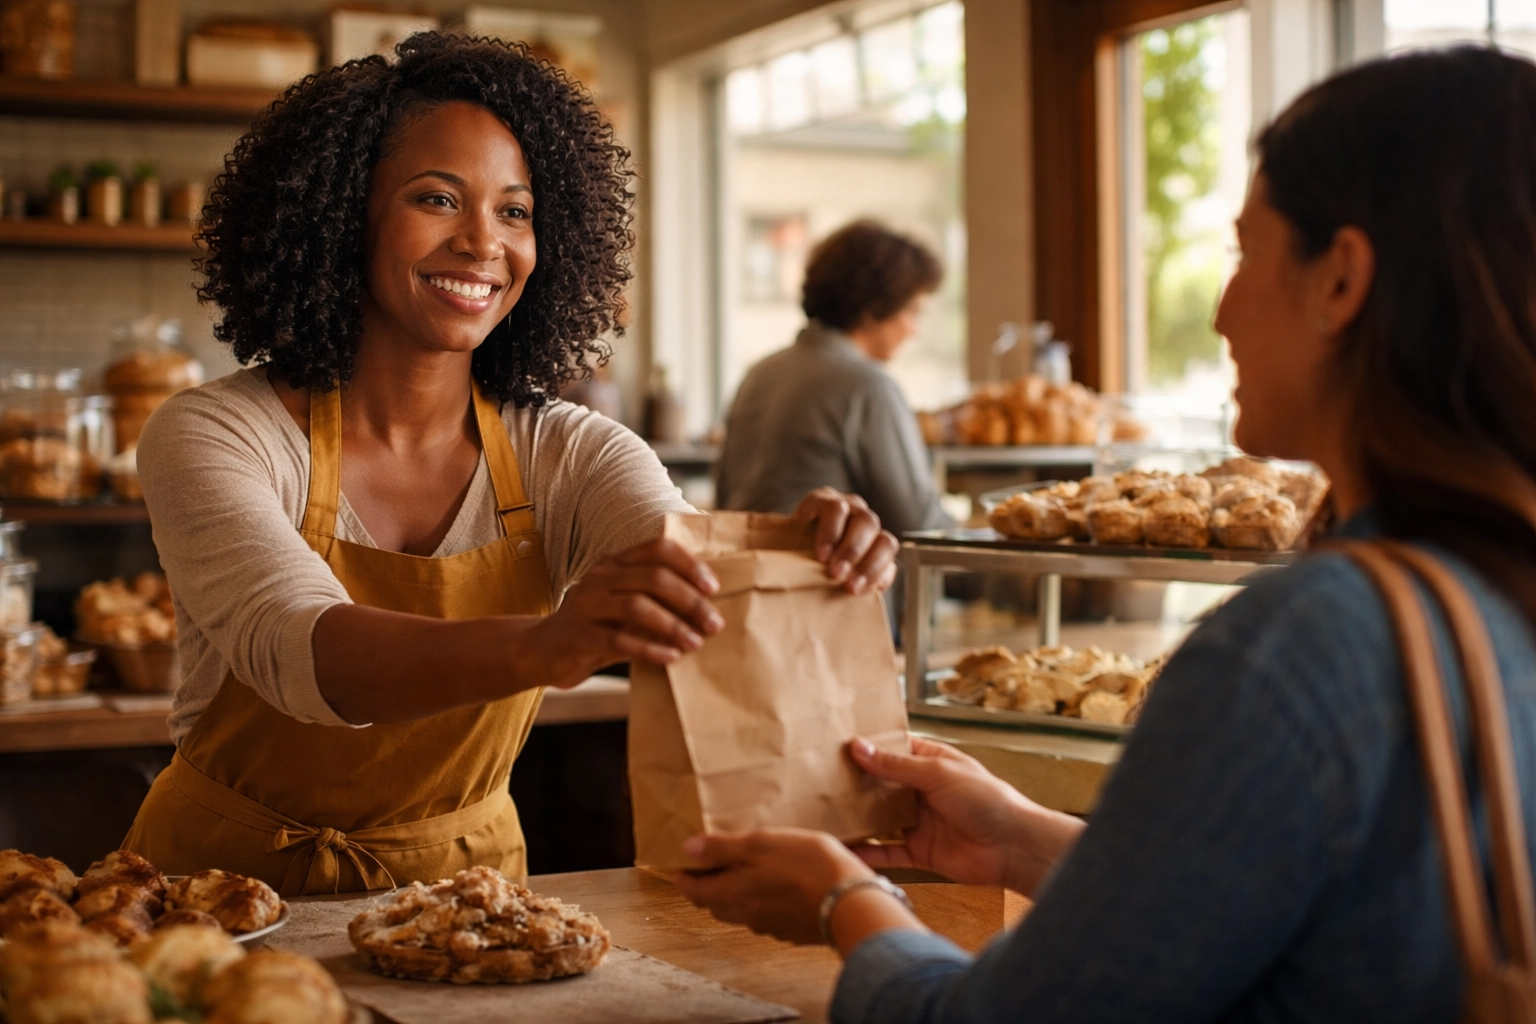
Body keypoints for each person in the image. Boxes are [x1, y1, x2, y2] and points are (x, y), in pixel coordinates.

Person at [675, 47, 1536, 1021]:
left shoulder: (1296, 647)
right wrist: (1024, 840)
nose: (1218, 311)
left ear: (1342, 281)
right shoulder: (1490, 593)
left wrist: (847, 900)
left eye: (1245, 252)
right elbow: (1326, 914)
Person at [120, 33, 897, 895]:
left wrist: (804, 549)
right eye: (437, 199)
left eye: (515, 211)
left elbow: (701, 576)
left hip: (467, 899)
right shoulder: (216, 432)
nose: (483, 243)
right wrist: (547, 643)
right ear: (344, 218)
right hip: (213, 900)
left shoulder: (569, 450)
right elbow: (299, 651)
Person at [716, 220, 952, 538]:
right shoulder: (868, 386)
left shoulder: (760, 372)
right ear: (872, 311)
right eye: (911, 312)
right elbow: (921, 525)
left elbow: (724, 498)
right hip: (825, 578)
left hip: (742, 574)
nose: (915, 329)